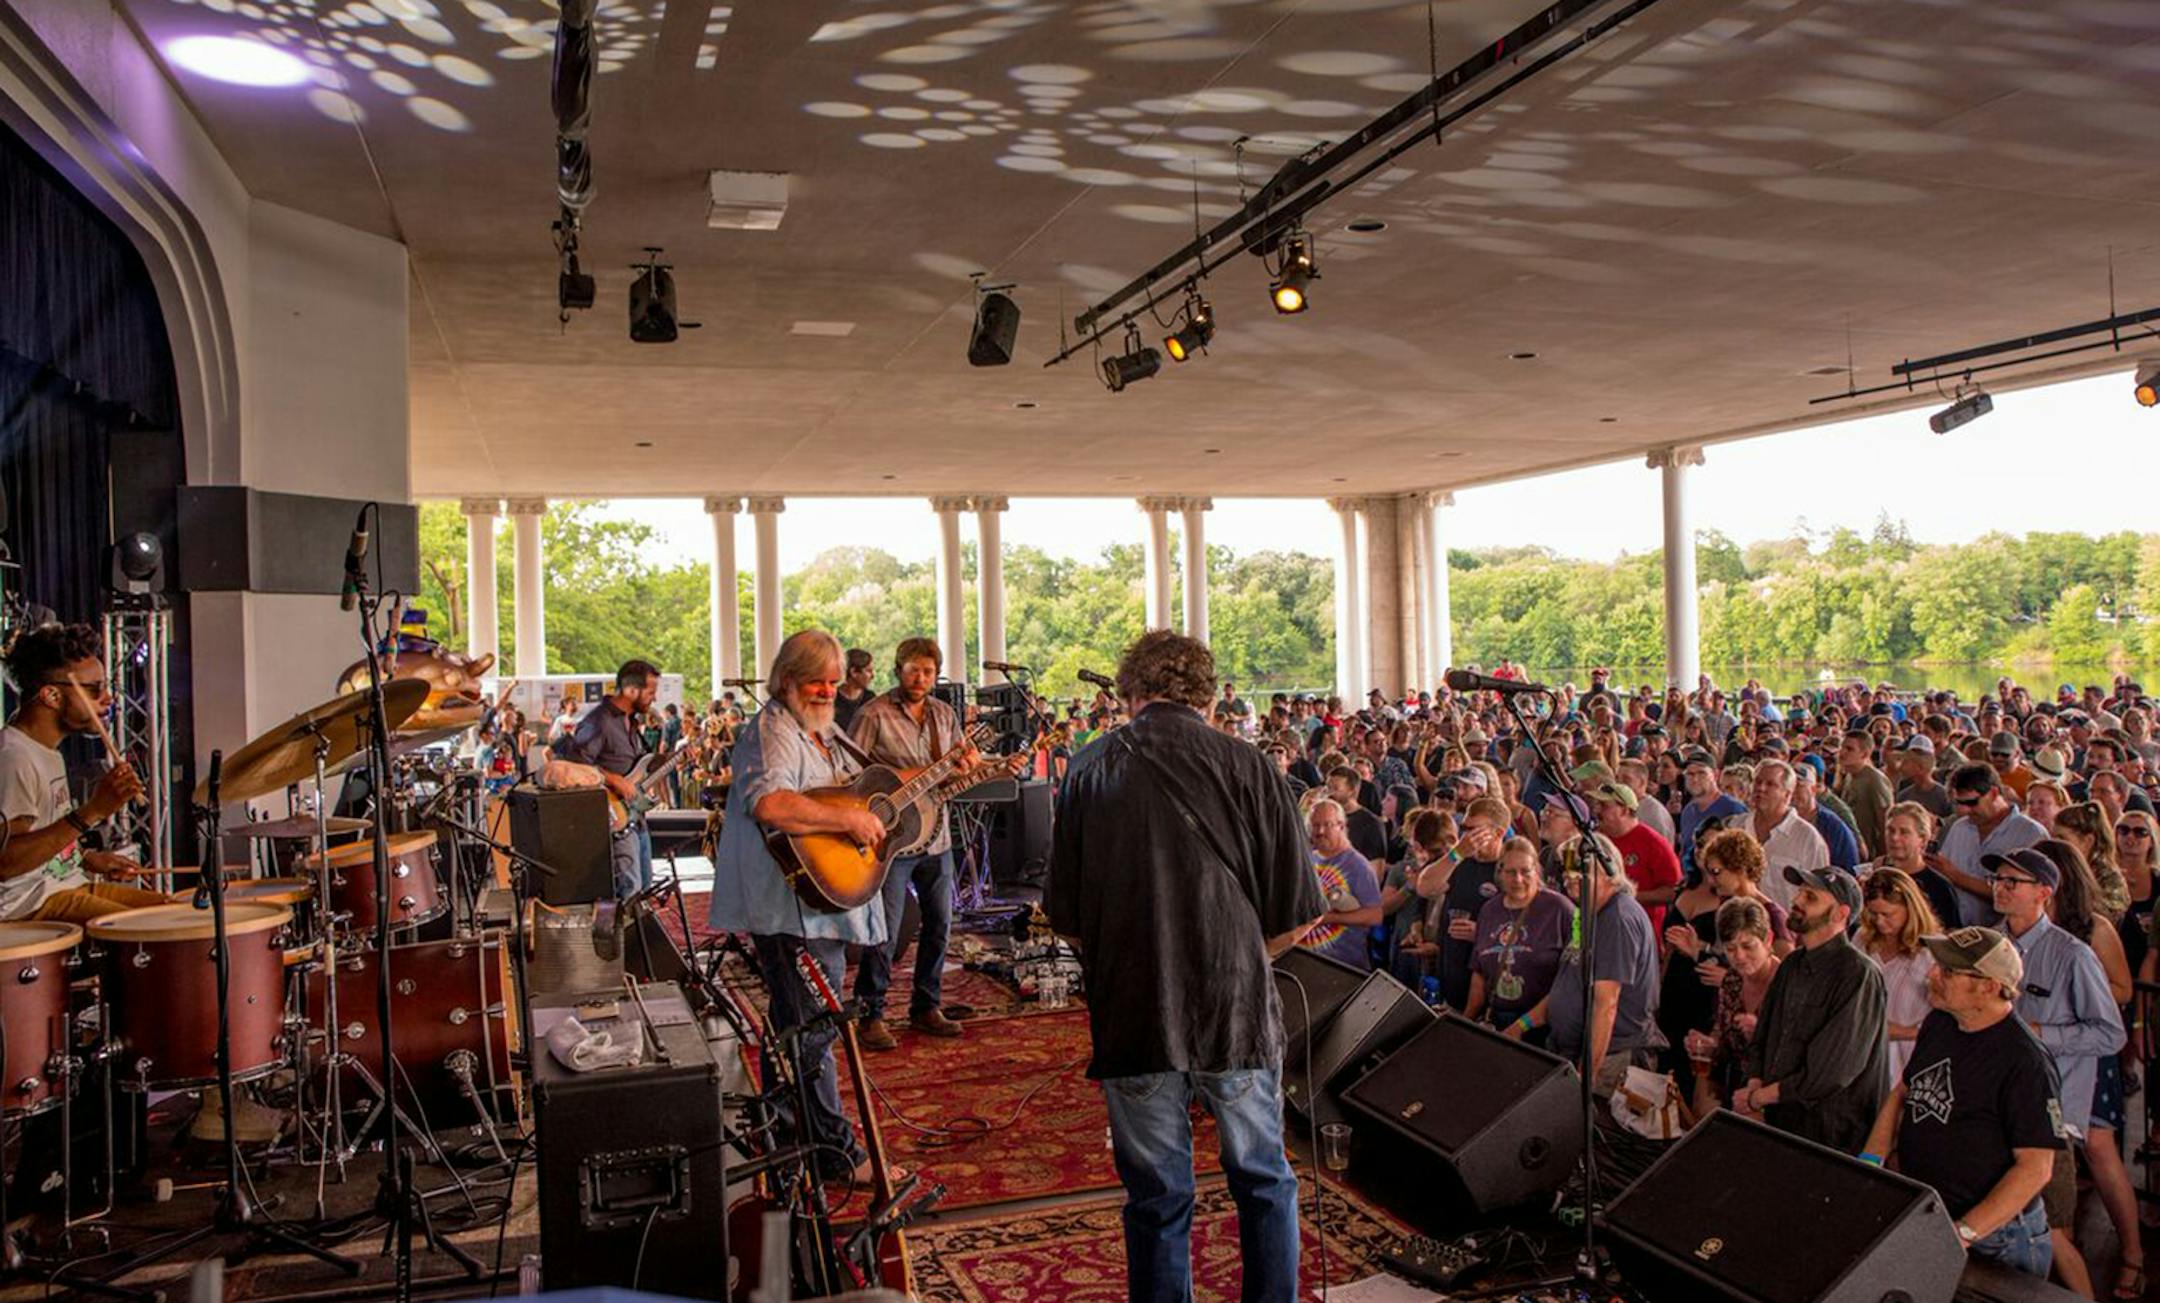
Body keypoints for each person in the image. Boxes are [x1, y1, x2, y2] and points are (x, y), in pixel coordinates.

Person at [1048, 630, 1322, 1303]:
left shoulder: (1088, 767)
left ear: (1129, 690)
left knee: (1157, 1192)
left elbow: (1068, 919)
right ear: (1205, 693)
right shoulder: (1251, 765)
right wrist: (1235, 957)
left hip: (1134, 1005)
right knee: (1263, 1177)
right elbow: (1296, 914)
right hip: (1234, 1005)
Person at [710, 630, 886, 1185]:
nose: (830, 690)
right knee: (810, 1032)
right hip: (790, 910)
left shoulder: (819, 728)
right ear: (787, 679)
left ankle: (789, 1134)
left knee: (800, 1028)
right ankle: (833, 1153)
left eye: (835, 682)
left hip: (813, 907)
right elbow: (771, 802)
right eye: (819, 681)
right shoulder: (773, 731)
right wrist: (847, 820)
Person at [1861, 927, 2062, 1280]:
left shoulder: (2025, 1061)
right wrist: (1870, 1163)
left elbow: (2035, 1168)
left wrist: (1962, 1234)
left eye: (1948, 971)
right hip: (1931, 1215)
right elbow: (1903, 1092)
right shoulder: (1939, 1023)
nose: (1932, 974)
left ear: (1988, 985)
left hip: (1996, 1238)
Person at [1988, 843, 2125, 1299]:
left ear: (2043, 892)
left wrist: (2040, 1032)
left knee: (2055, 1231)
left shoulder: (2072, 955)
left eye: (2012, 882)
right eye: (1997, 880)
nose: (2000, 889)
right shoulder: (1989, 944)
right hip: (1994, 1106)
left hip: (2049, 1112)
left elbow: (2110, 1034)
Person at [848, 637, 972, 1049]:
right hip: (893, 840)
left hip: (937, 836)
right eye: (914, 670)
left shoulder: (943, 714)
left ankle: (926, 1005)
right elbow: (849, 776)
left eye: (929, 672)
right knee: (883, 929)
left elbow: (951, 774)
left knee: (940, 923)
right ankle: (871, 1013)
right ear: (898, 669)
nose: (922, 678)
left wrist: (972, 766)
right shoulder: (873, 714)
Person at [0, 623, 163, 923]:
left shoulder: (47, 750)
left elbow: (43, 844)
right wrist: (92, 812)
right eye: (94, 689)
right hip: (28, 906)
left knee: (173, 914)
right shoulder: (13, 758)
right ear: (51, 695)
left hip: (66, 887)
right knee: (149, 930)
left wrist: (88, 858)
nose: (108, 698)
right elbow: (6, 862)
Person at [1736, 866, 1887, 1154]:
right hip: (1781, 1120)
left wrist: (1759, 1097)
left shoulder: (1858, 974)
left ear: (1840, 914)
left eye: (1811, 897)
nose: (1798, 901)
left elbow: (1832, 1072)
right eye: (1800, 893)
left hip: (1830, 1134)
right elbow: (1764, 1035)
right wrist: (1755, 1082)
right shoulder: (1792, 964)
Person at [1503, 832, 1661, 1093]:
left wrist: (1587, 1075)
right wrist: (1522, 1025)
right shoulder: (1589, 912)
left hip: (1612, 1060)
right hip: (1572, 1051)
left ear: (1607, 872)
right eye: (1567, 879)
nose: (1570, 886)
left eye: (1578, 877)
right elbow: (1568, 984)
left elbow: (1606, 1004)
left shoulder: (1617, 917)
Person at [562, 659, 662, 898]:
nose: (654, 699)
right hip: (613, 819)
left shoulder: (631, 723)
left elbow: (638, 767)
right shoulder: (599, 721)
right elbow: (575, 764)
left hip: (636, 818)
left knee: (644, 890)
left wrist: (676, 759)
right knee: (629, 891)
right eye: (651, 692)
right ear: (631, 691)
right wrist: (613, 780)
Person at [1683, 895, 1780, 1116]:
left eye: (1748, 946)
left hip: (1771, 1093)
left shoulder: (1785, 983)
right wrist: (1710, 1044)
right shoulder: (1732, 981)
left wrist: (1762, 1033)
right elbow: (1722, 1032)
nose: (1740, 957)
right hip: (1734, 1084)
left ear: (1768, 940)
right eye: (1730, 949)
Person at [1463, 837, 1573, 1031]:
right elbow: (1479, 972)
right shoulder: (1489, 910)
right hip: (1497, 1019)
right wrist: (1466, 1021)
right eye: (1510, 872)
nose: (1518, 879)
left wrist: (1523, 1026)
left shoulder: (1559, 908)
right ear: (1500, 873)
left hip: (1543, 1024)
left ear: (1537, 871)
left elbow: (1571, 979)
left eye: (1525, 871)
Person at [1415, 798, 1508, 1009]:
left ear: (1498, 833)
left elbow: (1524, 925)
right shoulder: (1460, 861)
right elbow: (1425, 887)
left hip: (1489, 986)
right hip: (1450, 978)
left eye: (1474, 830)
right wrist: (1456, 853)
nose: (1467, 837)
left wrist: (1482, 933)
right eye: (1465, 828)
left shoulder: (1511, 868)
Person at [1935, 764, 2048, 927]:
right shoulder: (1960, 828)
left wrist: (1957, 877)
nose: (1964, 810)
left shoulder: (2031, 834)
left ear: (1994, 793)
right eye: (1958, 803)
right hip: (1957, 931)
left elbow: (2027, 896)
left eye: (1972, 803)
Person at [1858, 868, 1940, 1083]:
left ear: (1910, 909)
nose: (1880, 922)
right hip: (1861, 1060)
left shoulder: (1932, 954)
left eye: (1888, 915)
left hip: (1909, 1064)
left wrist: (1900, 1031)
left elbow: (1945, 1017)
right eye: (1874, 914)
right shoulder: (1862, 940)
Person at [1589, 779, 1681, 934]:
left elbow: (1672, 891)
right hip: (1602, 927)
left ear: (1624, 810)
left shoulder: (1653, 843)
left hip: (1639, 930)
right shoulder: (1597, 839)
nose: (1596, 810)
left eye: (1603, 806)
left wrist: (1626, 897)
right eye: (1596, 805)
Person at [1302, 799, 1383, 974]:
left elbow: (1375, 915)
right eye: (1315, 825)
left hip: (1343, 967)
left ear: (1341, 825)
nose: (1321, 831)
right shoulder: (1310, 858)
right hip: (1308, 963)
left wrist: (1328, 918)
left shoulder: (1358, 865)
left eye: (1327, 825)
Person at [1746, 761, 1830, 911]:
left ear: (1788, 794)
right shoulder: (1736, 826)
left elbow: (1819, 895)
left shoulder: (1808, 839)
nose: (1761, 788)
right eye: (1757, 782)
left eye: (1771, 784)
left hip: (1786, 930)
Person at [1838, 728, 1896, 858]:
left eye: (1849, 749)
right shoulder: (1849, 775)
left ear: (1864, 754)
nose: (1842, 753)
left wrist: (1884, 857)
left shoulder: (1875, 780)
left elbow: (1885, 820)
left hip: (1870, 853)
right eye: (1842, 747)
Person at [834, 647, 875, 733]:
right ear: (854, 672)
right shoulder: (832, 698)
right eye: (869, 671)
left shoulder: (870, 698)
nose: (873, 676)